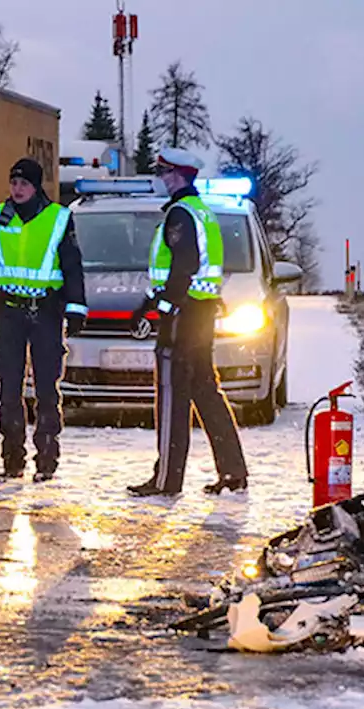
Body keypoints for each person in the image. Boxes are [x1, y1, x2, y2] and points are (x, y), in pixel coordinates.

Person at [126, 148, 249, 497]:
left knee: (172, 395)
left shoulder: (179, 214)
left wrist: (163, 307)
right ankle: (233, 471)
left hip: (183, 315)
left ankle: (166, 479)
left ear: (177, 175)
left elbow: (184, 266)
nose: (160, 179)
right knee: (205, 390)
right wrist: (148, 304)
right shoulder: (202, 212)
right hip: (201, 312)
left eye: (164, 173)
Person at [0, 158, 88, 483]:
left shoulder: (58, 218)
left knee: (46, 387)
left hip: (46, 311)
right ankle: (12, 457)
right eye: (13, 182)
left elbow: (72, 265)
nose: (17, 189)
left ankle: (47, 457)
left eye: (24, 184)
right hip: (10, 312)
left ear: (36, 186)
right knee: (9, 387)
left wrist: (76, 307)